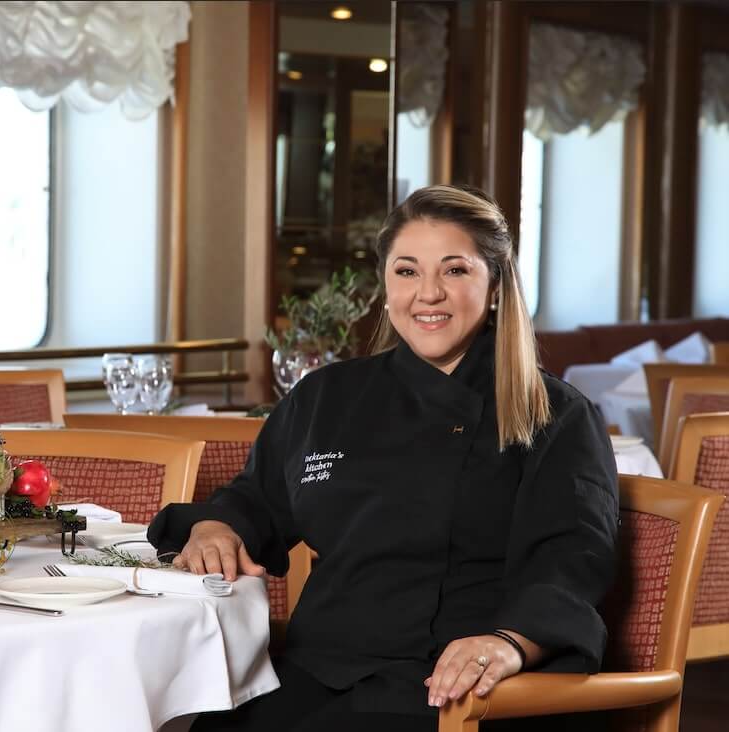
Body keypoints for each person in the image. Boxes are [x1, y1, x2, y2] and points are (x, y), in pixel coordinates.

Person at [148, 184, 619, 732]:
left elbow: (570, 560)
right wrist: (217, 528)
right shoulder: (326, 396)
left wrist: (508, 643)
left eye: (455, 270)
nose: (428, 294)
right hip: (314, 670)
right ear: (386, 284)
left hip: (453, 686)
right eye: (407, 271)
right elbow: (257, 497)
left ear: (495, 286)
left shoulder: (555, 414)